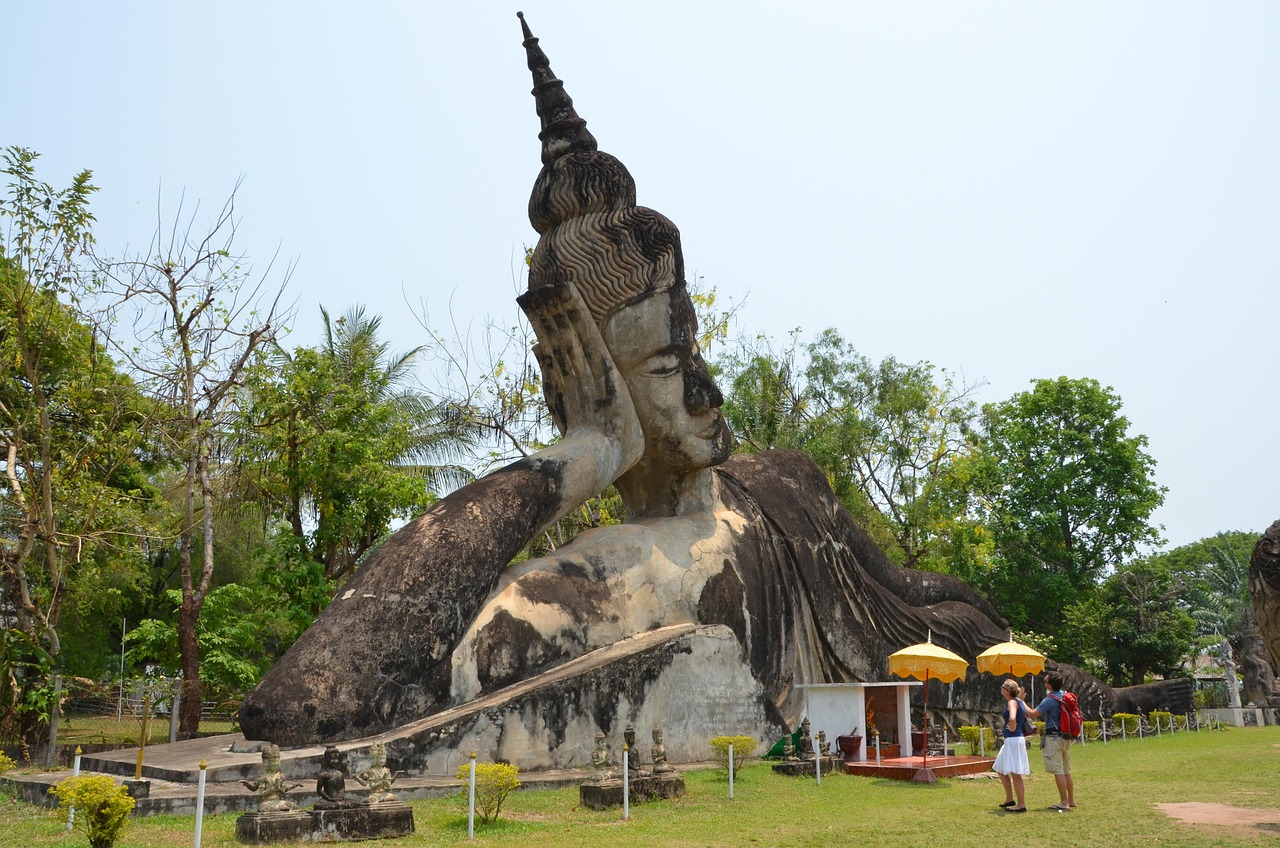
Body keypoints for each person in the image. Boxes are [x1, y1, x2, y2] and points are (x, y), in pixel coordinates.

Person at [1027, 671, 1075, 811]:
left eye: (1046, 680)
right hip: (1066, 737)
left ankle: (1063, 802)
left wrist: (1020, 700)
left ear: (1050, 684)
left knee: (1058, 771)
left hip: (1053, 738)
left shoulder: (1050, 699)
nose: (1044, 682)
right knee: (1066, 770)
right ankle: (1071, 799)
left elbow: (1032, 714)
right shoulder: (1065, 695)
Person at [992, 679, 1028, 812]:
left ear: (1006, 690)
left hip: (1013, 739)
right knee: (1000, 768)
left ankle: (1021, 804)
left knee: (1015, 773)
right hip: (1013, 739)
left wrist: (1012, 727)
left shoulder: (1012, 702)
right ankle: (1009, 798)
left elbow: (1012, 718)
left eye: (1002, 687)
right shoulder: (1018, 701)